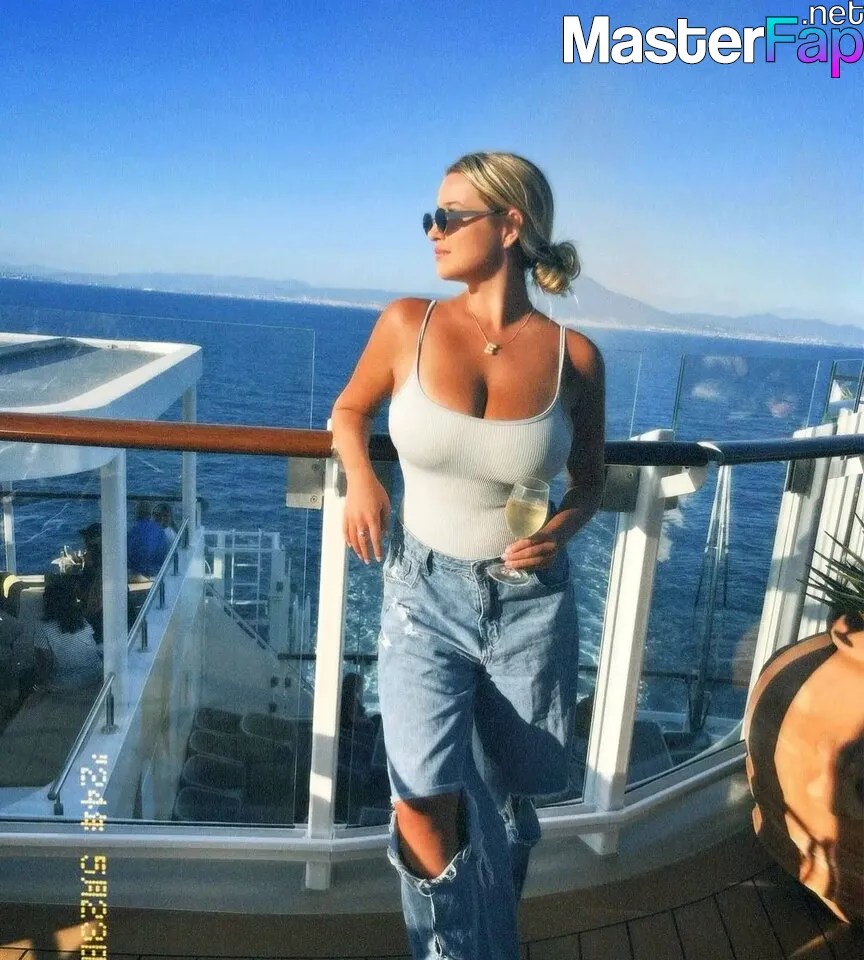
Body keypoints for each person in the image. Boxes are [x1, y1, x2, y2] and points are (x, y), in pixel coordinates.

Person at [331, 151, 606, 959]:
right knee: (420, 798)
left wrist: (559, 531)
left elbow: (590, 482)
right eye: (432, 216)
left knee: (508, 802)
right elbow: (348, 411)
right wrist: (363, 479)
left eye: (450, 216)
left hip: (529, 606)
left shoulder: (575, 358)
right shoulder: (407, 323)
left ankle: (489, 936)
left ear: (510, 225)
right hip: (422, 596)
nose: (433, 230)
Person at [32, 576, 103, 692]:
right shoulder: (82, 621)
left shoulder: (43, 628)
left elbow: (44, 664)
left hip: (66, 684)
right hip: (96, 676)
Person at [127, 501, 169, 577]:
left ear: (136, 513)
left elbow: (128, 554)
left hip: (135, 572)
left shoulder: (131, 531)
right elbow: (163, 553)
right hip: (155, 572)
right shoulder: (159, 531)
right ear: (150, 514)